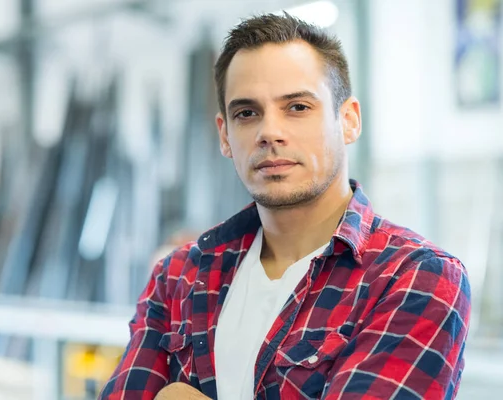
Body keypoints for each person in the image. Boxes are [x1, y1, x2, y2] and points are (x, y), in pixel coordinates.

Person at [99, 13, 471, 400]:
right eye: (247, 113)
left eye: (297, 107)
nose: (269, 133)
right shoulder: (179, 276)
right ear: (225, 135)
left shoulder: (415, 278)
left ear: (349, 121)